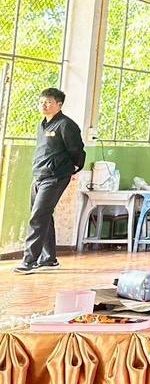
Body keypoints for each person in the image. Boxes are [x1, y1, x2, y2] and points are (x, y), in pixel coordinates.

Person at [16, 88, 86, 274]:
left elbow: (77, 150)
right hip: (39, 175)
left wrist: (74, 167)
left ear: (59, 105)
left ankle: (29, 261)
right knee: (42, 215)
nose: (44, 105)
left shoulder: (66, 125)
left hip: (55, 176)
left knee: (38, 216)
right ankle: (49, 259)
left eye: (48, 102)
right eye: (41, 102)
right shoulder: (42, 125)